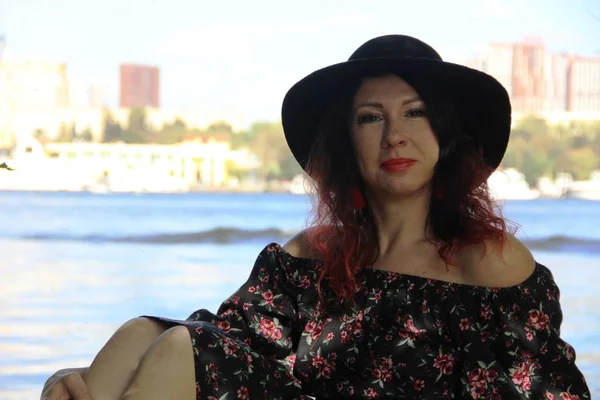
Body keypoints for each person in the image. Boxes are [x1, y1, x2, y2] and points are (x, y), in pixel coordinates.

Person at [42, 34, 590, 400]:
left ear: (445, 138)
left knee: (185, 349)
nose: (394, 135)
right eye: (370, 118)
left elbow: (552, 389)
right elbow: (229, 336)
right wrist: (73, 380)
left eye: (415, 114)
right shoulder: (311, 256)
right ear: (346, 143)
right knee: (142, 332)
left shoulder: (487, 262)